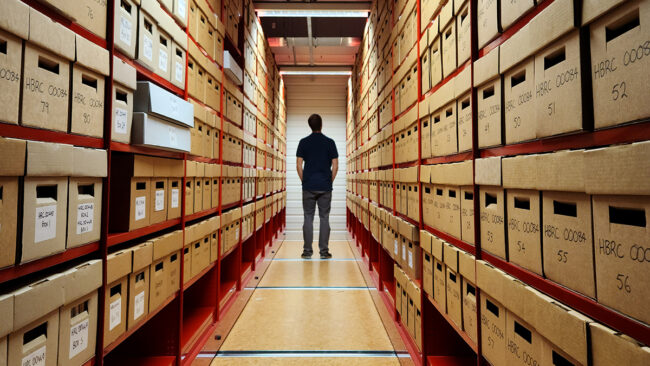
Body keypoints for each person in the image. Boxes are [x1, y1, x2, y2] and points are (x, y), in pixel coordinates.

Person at [296, 114, 339, 259]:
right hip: (325, 186)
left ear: (310, 125)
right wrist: (329, 181)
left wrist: (304, 181)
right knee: (324, 218)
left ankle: (307, 252)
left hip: (308, 186)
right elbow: (335, 165)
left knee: (308, 218)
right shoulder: (330, 142)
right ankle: (324, 252)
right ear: (321, 124)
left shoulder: (303, 142)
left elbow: (298, 165)